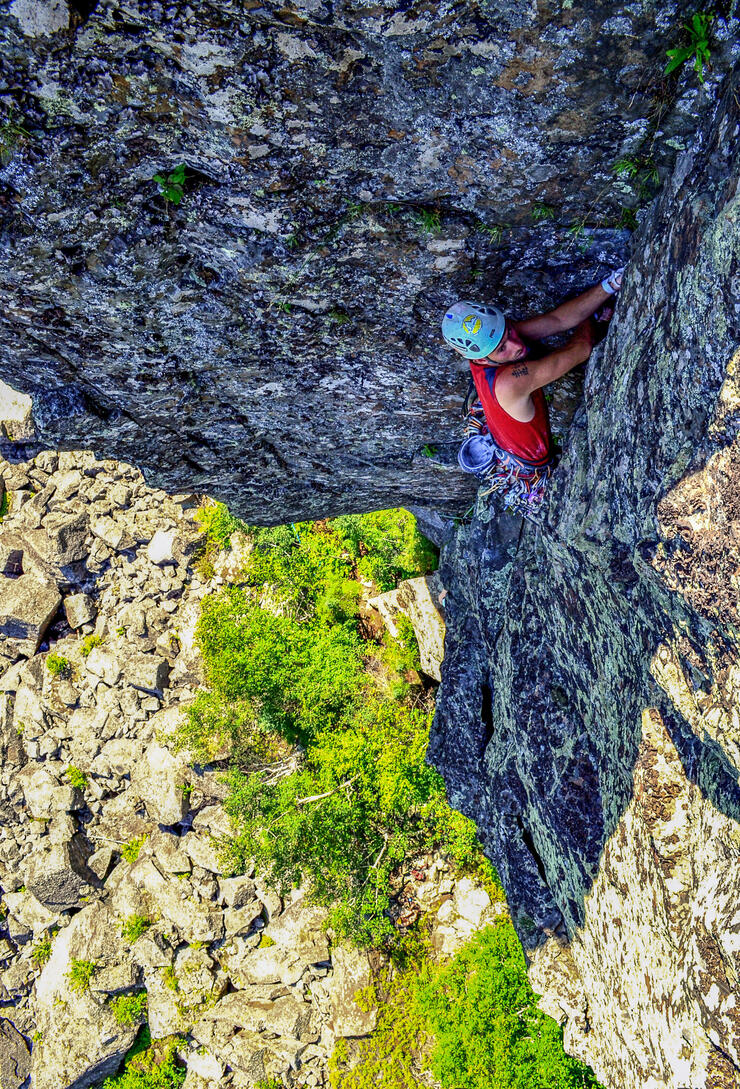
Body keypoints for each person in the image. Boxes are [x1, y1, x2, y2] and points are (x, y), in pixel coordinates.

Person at [440, 270, 624, 517]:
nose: (517, 346)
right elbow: (580, 350)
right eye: (503, 348)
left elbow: (558, 320)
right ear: (482, 357)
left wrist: (611, 284)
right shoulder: (510, 383)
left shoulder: (490, 344)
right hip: (529, 466)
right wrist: (593, 319)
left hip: (503, 431)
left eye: (509, 333)